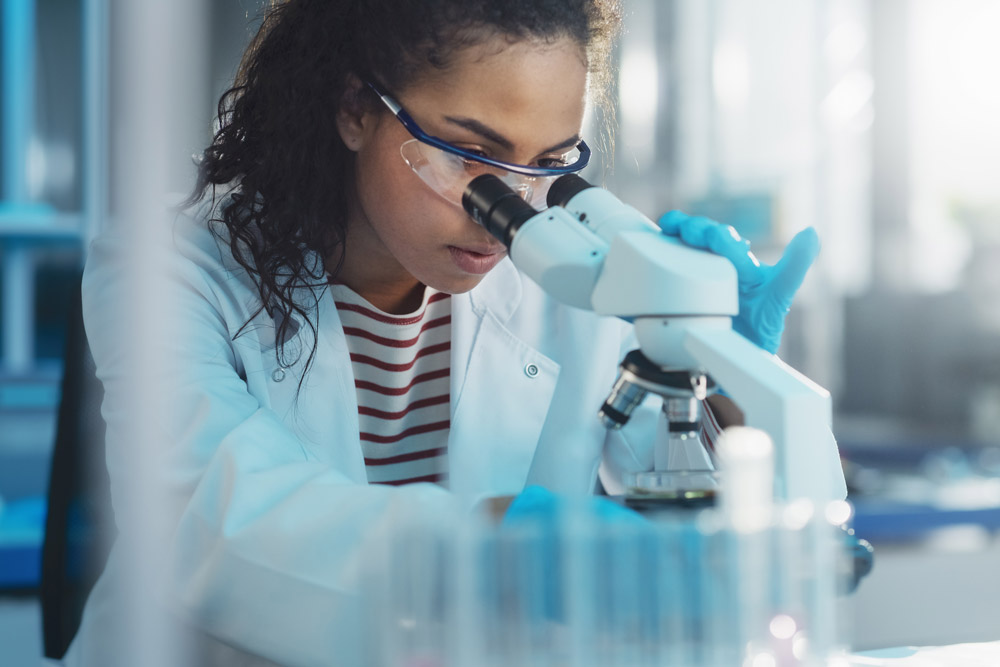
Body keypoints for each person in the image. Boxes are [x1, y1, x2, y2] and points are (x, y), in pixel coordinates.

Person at [66, 0, 846, 665]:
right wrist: (503, 548)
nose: (510, 205)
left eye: (547, 162)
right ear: (355, 111)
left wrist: (730, 369)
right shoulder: (172, 266)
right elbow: (212, 526)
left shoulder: (573, 284)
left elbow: (739, 538)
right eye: (471, 153)